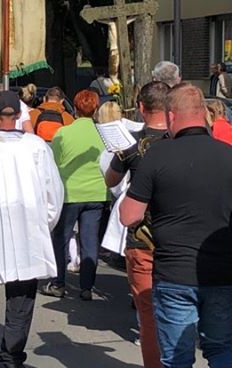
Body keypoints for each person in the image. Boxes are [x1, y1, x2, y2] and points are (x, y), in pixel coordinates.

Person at [120, 83, 232, 368]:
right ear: (204, 114)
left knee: (176, 358)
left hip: (174, 273)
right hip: (222, 271)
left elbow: (129, 216)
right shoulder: (228, 155)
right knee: (221, 349)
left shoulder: (157, 155)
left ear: (171, 116)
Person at [0, 91, 64, 368]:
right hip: (28, 227)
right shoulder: (37, 146)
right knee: (22, 293)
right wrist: (44, 224)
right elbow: (54, 192)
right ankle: (12, 353)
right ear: (20, 115)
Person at [104, 81, 170, 368]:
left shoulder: (129, 143)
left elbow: (111, 180)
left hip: (142, 237)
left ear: (141, 107)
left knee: (148, 312)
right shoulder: (181, 139)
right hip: (179, 238)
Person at [43, 90, 109, 301]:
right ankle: (87, 286)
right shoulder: (104, 134)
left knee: (61, 239)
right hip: (97, 192)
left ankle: (58, 283)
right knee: (90, 240)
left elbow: (54, 164)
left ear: (75, 109)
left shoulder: (63, 133)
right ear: (95, 109)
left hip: (69, 193)